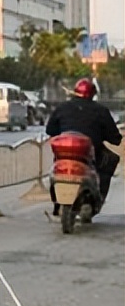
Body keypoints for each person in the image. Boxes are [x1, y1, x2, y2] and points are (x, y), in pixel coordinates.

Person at [46, 78, 123, 211]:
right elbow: (115, 138)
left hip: (65, 154)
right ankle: (100, 197)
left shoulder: (62, 107)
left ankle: (57, 202)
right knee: (111, 160)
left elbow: (50, 130)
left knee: (56, 165)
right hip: (91, 153)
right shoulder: (100, 110)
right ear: (92, 94)